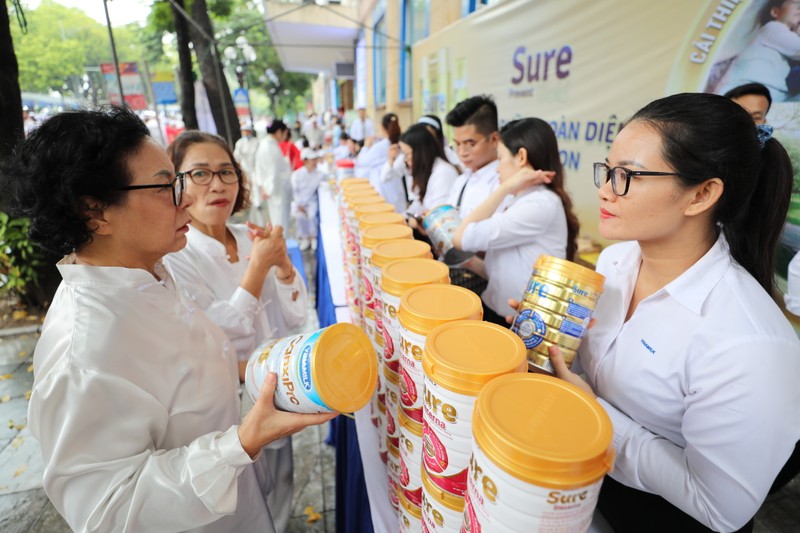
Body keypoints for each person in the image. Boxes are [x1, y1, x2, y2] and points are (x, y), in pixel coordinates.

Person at [0, 107, 334, 532]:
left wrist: (264, 372)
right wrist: (240, 443)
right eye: (166, 186)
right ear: (95, 212)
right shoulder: (85, 350)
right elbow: (109, 511)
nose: (187, 199)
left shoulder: (153, 270)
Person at [544, 93, 800, 532]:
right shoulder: (615, 262)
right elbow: (601, 374)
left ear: (701, 194)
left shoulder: (749, 340)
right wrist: (557, 339)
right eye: (607, 170)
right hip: (583, 490)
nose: (605, 190)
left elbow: (720, 508)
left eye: (627, 175)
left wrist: (597, 418)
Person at [163, 130, 308, 533]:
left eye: (226, 172)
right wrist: (259, 268)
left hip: (282, 387)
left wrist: (282, 267)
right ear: (175, 183)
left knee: (281, 478)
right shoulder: (178, 257)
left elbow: (295, 313)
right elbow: (217, 336)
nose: (218, 185)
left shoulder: (250, 237)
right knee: (239, 494)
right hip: (227, 403)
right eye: (201, 174)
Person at [453, 118, 578, 325]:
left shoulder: (539, 203)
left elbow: (462, 237)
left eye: (500, 159)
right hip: (500, 309)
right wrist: (472, 263)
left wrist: (505, 187)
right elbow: (507, 268)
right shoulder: (521, 199)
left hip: (518, 320)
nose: (497, 169)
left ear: (521, 157)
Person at [716, 0, 800, 102]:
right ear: (775, 12)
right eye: (797, 5)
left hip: (769, 92)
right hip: (748, 88)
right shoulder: (773, 27)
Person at [399, 123, 459, 218]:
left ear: (421, 152)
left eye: (407, 155)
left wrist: (413, 220)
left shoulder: (443, 173)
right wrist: (403, 217)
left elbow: (438, 217)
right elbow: (418, 204)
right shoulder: (426, 171)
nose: (406, 160)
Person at [356, 112, 407, 213]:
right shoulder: (399, 142)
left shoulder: (380, 146)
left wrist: (366, 146)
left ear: (382, 127)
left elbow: (361, 161)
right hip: (396, 186)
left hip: (383, 186)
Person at [254, 119, 293, 232]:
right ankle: (282, 248)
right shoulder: (270, 147)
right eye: (285, 133)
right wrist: (269, 190)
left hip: (273, 189)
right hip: (277, 191)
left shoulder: (267, 144)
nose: (285, 136)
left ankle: (282, 246)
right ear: (279, 132)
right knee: (281, 223)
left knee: (279, 221)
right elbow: (273, 172)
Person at [291, 148, 325, 251]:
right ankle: (305, 238)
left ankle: (313, 237)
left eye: (315, 159)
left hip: (311, 201)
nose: (315, 162)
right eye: (312, 160)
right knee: (300, 217)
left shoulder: (319, 174)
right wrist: (299, 204)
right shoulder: (296, 175)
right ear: (305, 161)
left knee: (312, 215)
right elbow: (294, 191)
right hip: (299, 202)